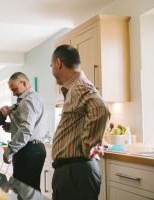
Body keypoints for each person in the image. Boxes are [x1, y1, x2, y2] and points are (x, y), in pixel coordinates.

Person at [50, 45, 110, 200]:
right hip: (73, 171)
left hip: (76, 171)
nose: (52, 71)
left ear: (58, 63)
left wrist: (88, 145)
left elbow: (100, 108)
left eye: (51, 66)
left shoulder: (79, 86)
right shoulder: (75, 87)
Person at [2, 72, 46, 192]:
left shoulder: (28, 100)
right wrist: (11, 127)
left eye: (14, 89)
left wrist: (9, 151)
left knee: (25, 192)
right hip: (31, 149)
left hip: (29, 150)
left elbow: (26, 130)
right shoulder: (31, 98)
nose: (13, 93)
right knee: (27, 191)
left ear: (24, 83)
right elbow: (28, 125)